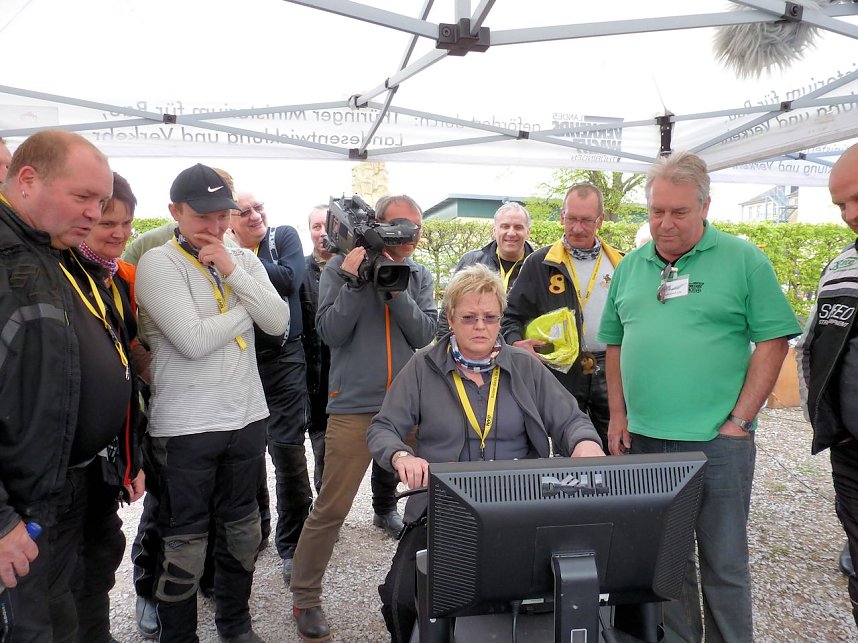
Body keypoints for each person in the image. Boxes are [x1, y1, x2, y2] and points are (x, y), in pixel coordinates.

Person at [597, 151, 801, 642]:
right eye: (656, 211)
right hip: (644, 440)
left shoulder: (743, 259)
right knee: (666, 568)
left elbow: (774, 340)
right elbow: (615, 343)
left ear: (705, 206)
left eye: (679, 212)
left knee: (724, 562)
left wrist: (741, 420)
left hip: (717, 442)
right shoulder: (631, 267)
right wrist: (618, 415)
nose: (665, 223)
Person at [367, 263, 604, 641]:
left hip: (521, 501)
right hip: (442, 504)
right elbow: (383, 428)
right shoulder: (422, 366)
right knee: (400, 597)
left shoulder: (525, 365)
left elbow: (570, 420)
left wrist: (585, 444)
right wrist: (401, 456)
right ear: (450, 319)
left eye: (490, 317)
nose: (480, 326)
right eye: (469, 317)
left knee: (563, 590)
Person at [136, 163, 289, 642]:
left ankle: (235, 625)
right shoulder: (159, 263)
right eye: (202, 215)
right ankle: (178, 634)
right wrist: (249, 310)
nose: (215, 226)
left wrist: (231, 269)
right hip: (186, 426)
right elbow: (193, 340)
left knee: (242, 531)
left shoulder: (240, 258)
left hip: (246, 416)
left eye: (223, 214)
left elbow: (280, 322)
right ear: (174, 212)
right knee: (184, 541)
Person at [290, 195, 437, 641]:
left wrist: (395, 291)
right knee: (331, 506)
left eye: (414, 227)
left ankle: (446, 581)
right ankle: (305, 598)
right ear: (377, 224)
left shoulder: (419, 274)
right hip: (353, 405)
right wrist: (356, 284)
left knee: (441, 497)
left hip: (409, 403)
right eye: (398, 226)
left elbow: (425, 333)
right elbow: (330, 333)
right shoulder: (339, 267)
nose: (407, 236)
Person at [0, 130, 126, 641]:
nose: (95, 214)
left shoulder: (47, 250)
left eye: (100, 200)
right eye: (84, 198)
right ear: (27, 180)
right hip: (18, 516)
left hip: (58, 491)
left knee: (62, 617)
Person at [71, 172, 147, 643]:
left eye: (126, 223)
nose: (119, 233)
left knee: (101, 557)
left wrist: (131, 458)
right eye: (107, 223)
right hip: (64, 464)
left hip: (105, 460)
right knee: (61, 574)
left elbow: (127, 371)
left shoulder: (117, 279)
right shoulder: (62, 273)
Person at [230, 191, 311, 586]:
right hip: (240, 361)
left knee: (287, 450)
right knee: (247, 450)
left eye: (258, 207)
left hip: (285, 359)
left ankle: (294, 543)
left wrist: (235, 263)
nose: (254, 216)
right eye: (243, 212)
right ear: (227, 220)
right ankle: (257, 530)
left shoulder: (284, 237)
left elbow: (288, 280)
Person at [501, 183, 622, 446]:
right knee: (566, 446)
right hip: (559, 370)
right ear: (561, 217)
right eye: (571, 219)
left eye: (586, 220)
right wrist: (515, 343)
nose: (577, 228)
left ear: (600, 220)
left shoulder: (620, 263)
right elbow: (510, 316)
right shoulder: (539, 262)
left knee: (615, 449)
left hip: (610, 368)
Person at [797, 142, 858, 628]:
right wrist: (828, 425)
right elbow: (814, 344)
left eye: (857, 199)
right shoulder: (840, 265)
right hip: (849, 448)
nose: (849, 215)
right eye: (840, 205)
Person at [435, 201, 534, 339]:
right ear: (495, 230)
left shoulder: (538, 267)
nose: (511, 233)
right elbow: (449, 309)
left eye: (518, 227)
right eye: (505, 226)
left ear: (528, 232)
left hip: (518, 353)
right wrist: (443, 350)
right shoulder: (471, 262)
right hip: (473, 351)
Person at [300, 204, 333, 494]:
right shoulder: (299, 270)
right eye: (316, 226)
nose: (323, 233)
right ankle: (324, 510)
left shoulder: (360, 268)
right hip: (316, 379)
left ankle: (383, 507)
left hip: (350, 376)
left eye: (328, 226)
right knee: (322, 448)